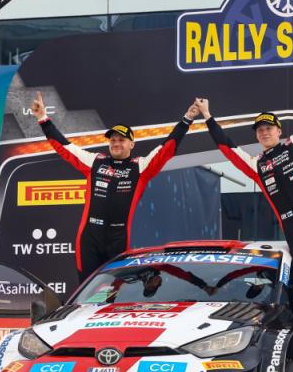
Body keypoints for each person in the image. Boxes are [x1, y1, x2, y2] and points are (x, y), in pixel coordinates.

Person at [198, 55, 293, 298]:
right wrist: (208, 116)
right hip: (291, 228)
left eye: (268, 128)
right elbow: (227, 147)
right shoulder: (256, 164)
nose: (264, 133)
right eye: (260, 131)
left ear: (279, 131)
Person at [31, 92, 198, 283]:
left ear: (132, 144)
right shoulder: (94, 161)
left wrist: (187, 119)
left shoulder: (141, 166)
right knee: (87, 289)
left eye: (121, 140)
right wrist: (43, 119)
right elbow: (64, 147)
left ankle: (145, 277)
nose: (116, 143)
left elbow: (167, 148)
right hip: (89, 239)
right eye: (113, 140)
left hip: (118, 240)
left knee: (113, 291)